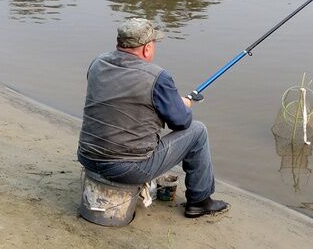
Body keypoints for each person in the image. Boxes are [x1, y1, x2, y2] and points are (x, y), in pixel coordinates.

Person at [77, 18, 229, 218]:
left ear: (119, 44)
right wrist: (182, 104)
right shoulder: (158, 76)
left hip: (87, 156)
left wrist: (171, 102)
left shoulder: (97, 63)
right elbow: (181, 122)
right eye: (153, 44)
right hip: (127, 168)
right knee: (198, 131)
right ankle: (200, 201)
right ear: (147, 48)